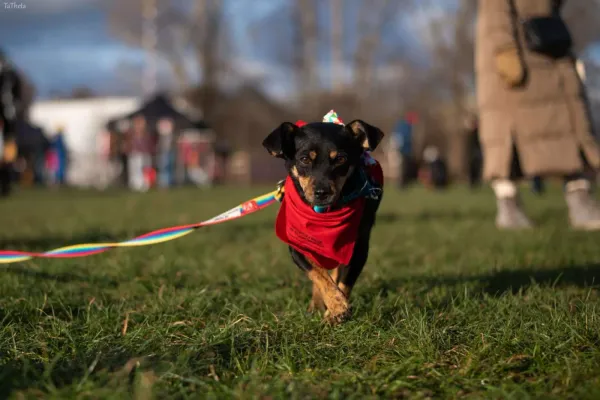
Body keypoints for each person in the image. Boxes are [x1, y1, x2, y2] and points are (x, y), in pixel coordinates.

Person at [475, 0, 600, 229]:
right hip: (516, 48)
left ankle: (580, 198)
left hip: (550, 42)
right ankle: (509, 205)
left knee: (574, 125)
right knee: (506, 136)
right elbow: (495, 9)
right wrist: (504, 47)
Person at [0, 50, 23, 196]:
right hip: (6, 122)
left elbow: (16, 96)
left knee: (7, 154)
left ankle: (5, 185)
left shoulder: (10, 76)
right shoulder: (10, 76)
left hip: (7, 124)